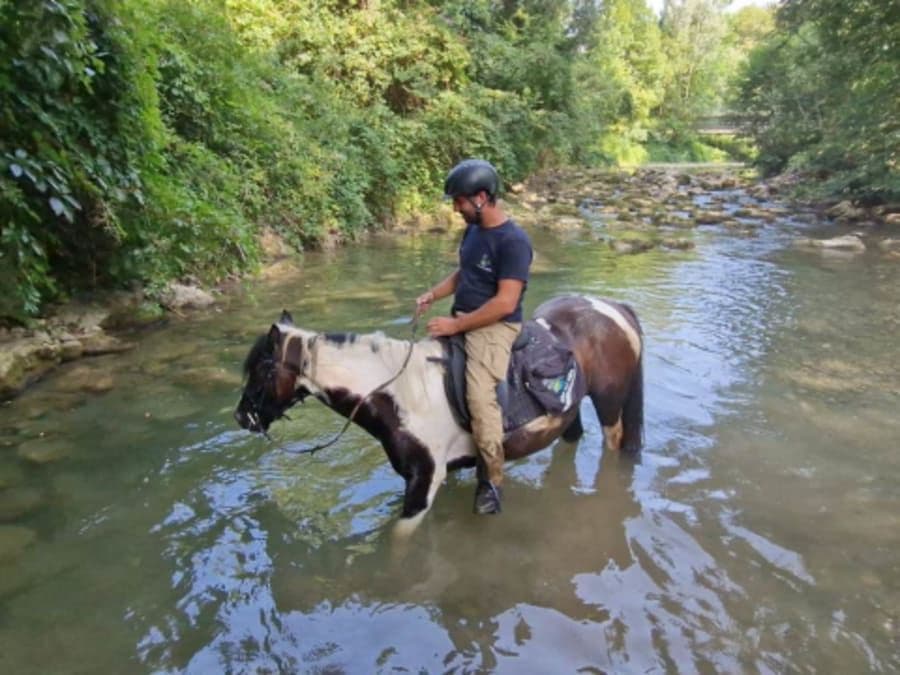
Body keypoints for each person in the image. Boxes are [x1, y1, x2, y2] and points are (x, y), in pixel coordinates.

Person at [415, 159, 533, 515]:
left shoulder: (514, 242)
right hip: (462, 316)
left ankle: (492, 481)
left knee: (480, 400)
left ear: (482, 197)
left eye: (460, 201)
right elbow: (463, 273)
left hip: (495, 326)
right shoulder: (473, 231)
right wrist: (433, 294)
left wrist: (456, 327)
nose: (456, 208)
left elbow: (505, 302)